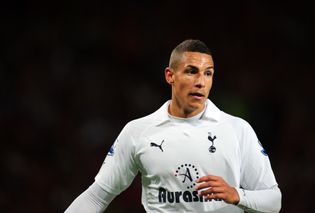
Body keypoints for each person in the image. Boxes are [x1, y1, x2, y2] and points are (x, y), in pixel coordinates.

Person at [65, 39, 282, 212]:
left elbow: (274, 201)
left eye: (208, 73)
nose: (201, 81)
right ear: (170, 75)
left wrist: (237, 195)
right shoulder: (138, 132)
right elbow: (96, 198)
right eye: (191, 71)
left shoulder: (237, 130)